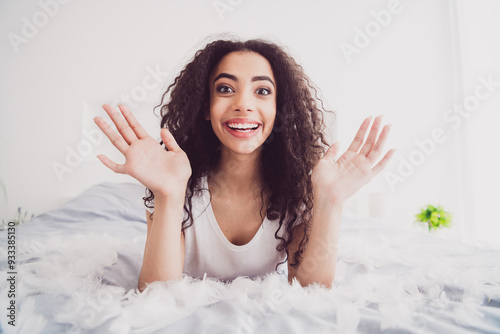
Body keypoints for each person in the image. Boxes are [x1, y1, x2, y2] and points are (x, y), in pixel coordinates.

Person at [93, 38, 394, 291]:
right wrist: (169, 195)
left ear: (279, 110)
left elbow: (309, 291)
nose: (243, 104)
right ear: (206, 108)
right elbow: (156, 292)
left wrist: (330, 201)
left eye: (262, 91)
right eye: (225, 89)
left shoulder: (298, 191)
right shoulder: (174, 180)